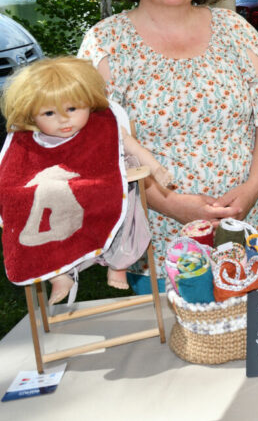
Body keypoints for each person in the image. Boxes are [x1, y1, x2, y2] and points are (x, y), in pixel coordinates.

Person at [78, 0, 258, 266]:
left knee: (254, 320)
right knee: (177, 324)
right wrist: (171, 205)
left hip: (250, 224)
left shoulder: (234, 29)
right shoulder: (105, 44)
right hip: (161, 235)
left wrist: (251, 191)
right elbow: (99, 146)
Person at [0, 57, 172, 303]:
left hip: (104, 190)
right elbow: (12, 179)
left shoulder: (104, 126)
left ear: (88, 103)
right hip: (59, 204)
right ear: (31, 115)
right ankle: (60, 273)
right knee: (27, 208)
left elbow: (133, 147)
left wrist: (157, 169)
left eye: (72, 109)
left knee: (125, 206)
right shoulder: (28, 143)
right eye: (49, 113)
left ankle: (119, 262)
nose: (63, 120)